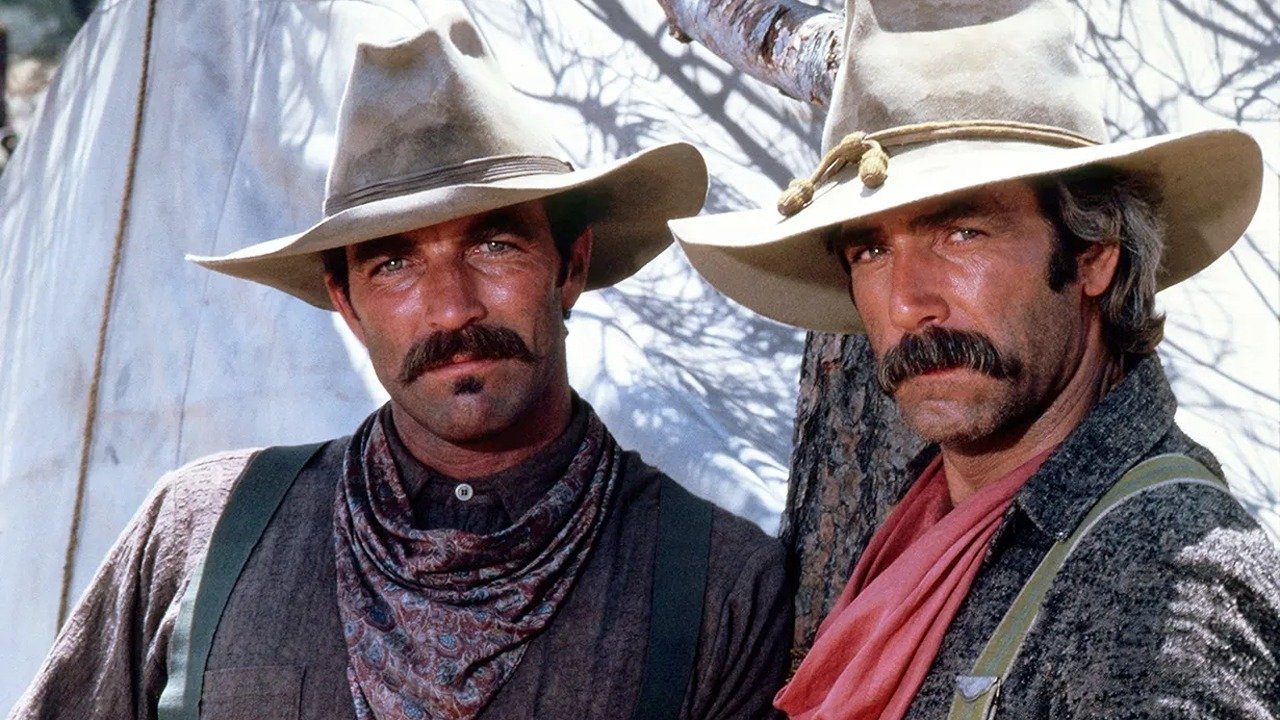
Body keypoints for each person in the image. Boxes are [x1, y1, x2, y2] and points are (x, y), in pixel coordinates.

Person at [11, 13, 791, 720]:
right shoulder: (200, 536)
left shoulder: (717, 589)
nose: (452, 309)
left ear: (571, 266)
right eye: (394, 264)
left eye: (496, 245)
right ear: (346, 303)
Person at [669, 0, 1280, 718]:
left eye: (962, 234)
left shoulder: (1162, 579)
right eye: (871, 250)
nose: (908, 303)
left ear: (1093, 255)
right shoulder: (925, 529)